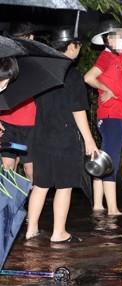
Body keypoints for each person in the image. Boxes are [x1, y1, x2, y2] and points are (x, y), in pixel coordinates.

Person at [25, 28, 99, 243]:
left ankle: (31, 230)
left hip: (40, 135)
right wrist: (89, 140)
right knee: (64, 186)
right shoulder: (72, 74)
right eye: (78, 44)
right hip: (64, 137)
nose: (80, 49)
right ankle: (58, 233)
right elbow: (78, 110)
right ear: (71, 46)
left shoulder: (41, 71)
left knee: (40, 185)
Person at [84, 20, 122, 215]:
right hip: (111, 114)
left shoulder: (116, 57)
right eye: (119, 36)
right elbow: (89, 77)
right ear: (108, 39)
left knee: (104, 157)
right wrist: (105, 89)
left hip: (115, 114)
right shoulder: (106, 57)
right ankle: (113, 209)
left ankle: (98, 205)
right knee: (111, 160)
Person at [0, 22, 38, 180]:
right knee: (8, 167)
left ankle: (24, 202)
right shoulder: (5, 60)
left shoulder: (34, 61)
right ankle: (7, 203)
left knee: (31, 169)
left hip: (29, 122)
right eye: (28, 36)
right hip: (7, 120)